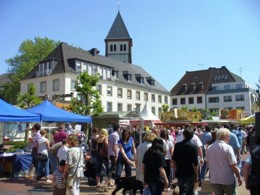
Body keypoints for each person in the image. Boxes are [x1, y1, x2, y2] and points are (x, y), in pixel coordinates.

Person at [206, 128, 242, 195]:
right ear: (225, 136)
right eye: (228, 136)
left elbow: (207, 162)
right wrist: (239, 177)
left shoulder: (210, 147)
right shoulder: (228, 147)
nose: (229, 138)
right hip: (227, 179)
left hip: (214, 179)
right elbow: (233, 165)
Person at [172, 126, 198, 195]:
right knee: (189, 191)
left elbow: (174, 159)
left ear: (183, 135)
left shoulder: (177, 145)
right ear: (192, 136)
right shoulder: (193, 146)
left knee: (181, 190)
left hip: (180, 171)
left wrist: (175, 170)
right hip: (190, 171)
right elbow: (195, 162)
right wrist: (196, 174)